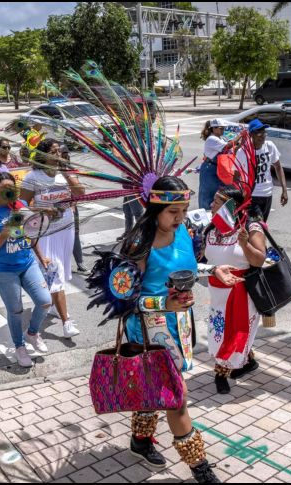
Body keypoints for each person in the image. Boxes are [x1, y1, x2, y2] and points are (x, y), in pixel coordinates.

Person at [115, 176, 221, 483]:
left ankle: (139, 441)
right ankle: (200, 469)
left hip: (181, 326)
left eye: (184, 209)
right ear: (155, 207)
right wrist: (162, 304)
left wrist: (214, 270)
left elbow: (186, 270)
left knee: (156, 392)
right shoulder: (138, 244)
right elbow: (125, 300)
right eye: (173, 211)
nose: (180, 217)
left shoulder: (184, 232)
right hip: (149, 331)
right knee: (177, 397)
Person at [0, 172, 53, 367]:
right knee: (16, 310)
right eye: (4, 188)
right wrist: (7, 228)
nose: (9, 192)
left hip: (27, 263)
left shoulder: (20, 205)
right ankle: (19, 347)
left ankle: (32, 333)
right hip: (4, 270)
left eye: (11, 188)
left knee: (45, 301)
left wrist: (41, 257)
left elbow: (31, 233)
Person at [203, 185, 266, 395]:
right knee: (221, 330)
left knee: (230, 334)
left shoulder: (251, 227)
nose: (211, 205)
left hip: (242, 293)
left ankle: (221, 374)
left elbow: (259, 260)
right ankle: (247, 361)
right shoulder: (211, 228)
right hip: (217, 291)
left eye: (217, 203)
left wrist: (245, 244)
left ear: (230, 207)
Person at [20, 139, 84, 339]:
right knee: (53, 270)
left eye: (60, 152)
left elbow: (80, 193)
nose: (58, 155)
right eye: (54, 151)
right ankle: (66, 322)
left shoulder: (64, 175)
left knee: (60, 270)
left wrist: (66, 173)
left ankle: (53, 303)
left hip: (65, 228)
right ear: (43, 155)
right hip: (45, 230)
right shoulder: (32, 177)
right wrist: (43, 209)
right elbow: (21, 205)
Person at [235, 119, 288, 222]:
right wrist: (239, 197)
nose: (262, 135)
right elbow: (236, 177)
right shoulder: (243, 152)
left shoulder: (270, 146)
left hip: (267, 194)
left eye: (264, 132)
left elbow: (278, 167)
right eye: (258, 132)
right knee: (255, 228)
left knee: (262, 225)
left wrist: (284, 190)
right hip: (252, 196)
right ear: (251, 135)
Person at [198, 119, 241, 210]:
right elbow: (227, 146)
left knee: (220, 194)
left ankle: (217, 215)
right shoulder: (211, 139)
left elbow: (231, 149)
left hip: (219, 168)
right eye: (221, 128)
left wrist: (242, 143)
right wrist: (240, 135)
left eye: (223, 128)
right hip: (210, 169)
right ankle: (206, 215)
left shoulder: (221, 139)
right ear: (213, 129)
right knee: (208, 195)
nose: (223, 130)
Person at [58, 144, 88, 275]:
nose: (64, 156)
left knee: (75, 235)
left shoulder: (70, 170)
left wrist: (73, 205)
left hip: (71, 208)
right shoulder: (50, 170)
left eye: (66, 153)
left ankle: (80, 263)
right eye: (61, 153)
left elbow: (78, 190)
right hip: (56, 209)